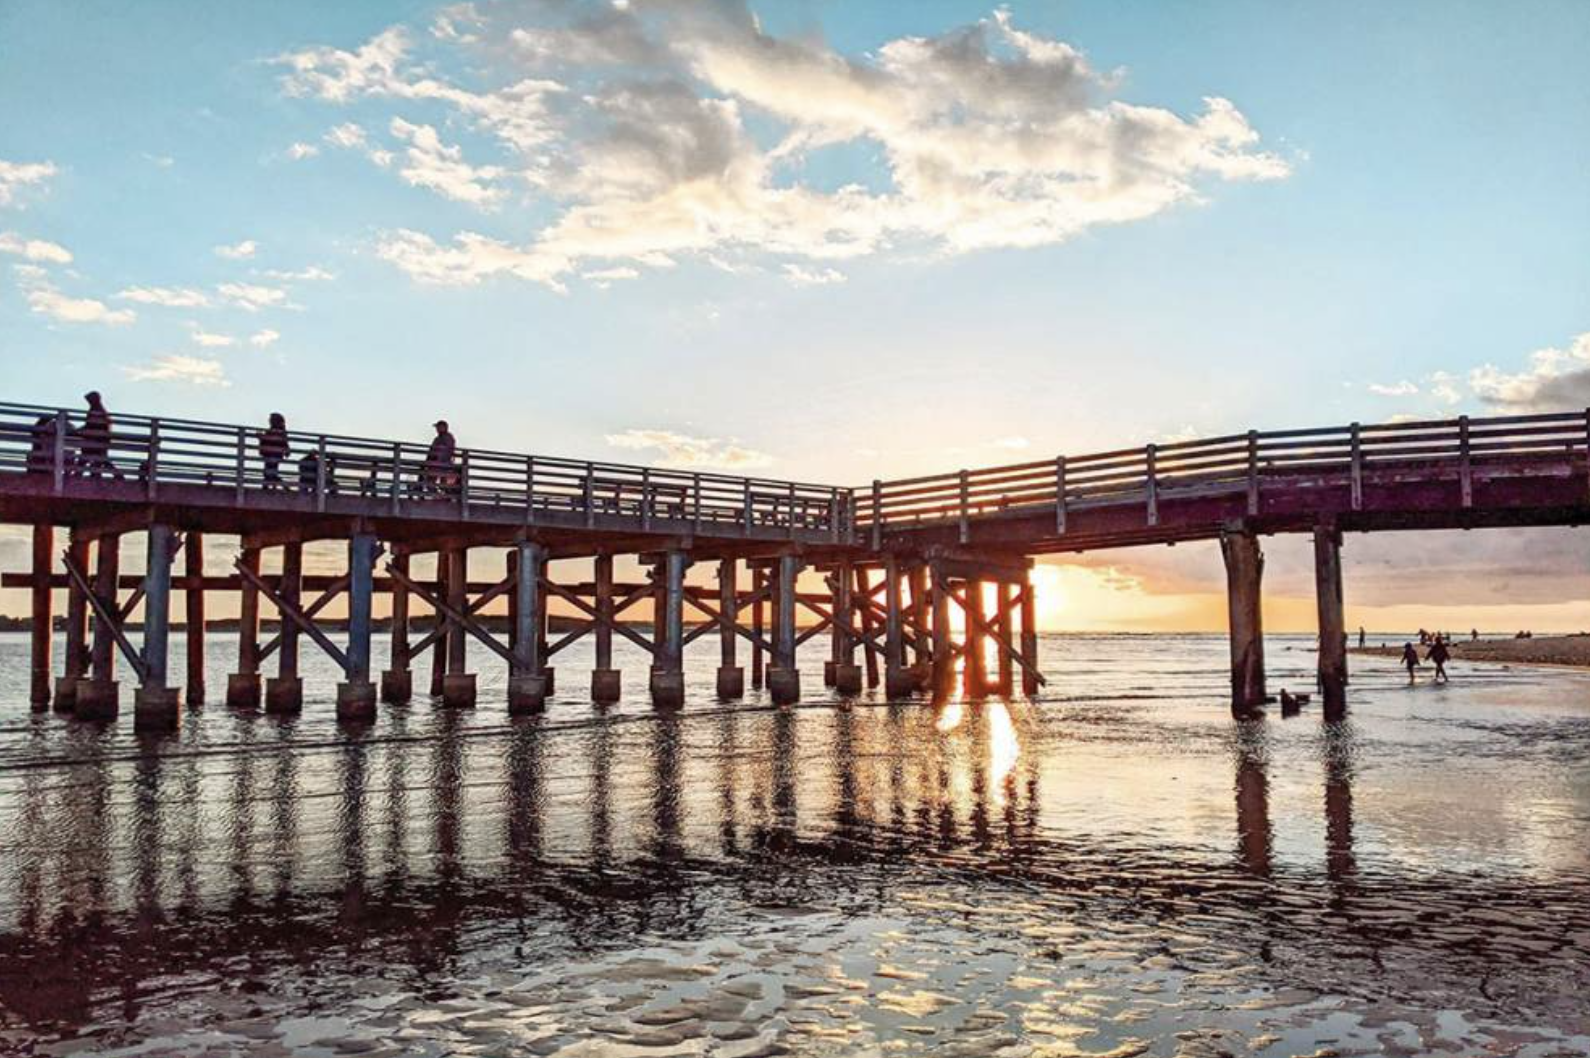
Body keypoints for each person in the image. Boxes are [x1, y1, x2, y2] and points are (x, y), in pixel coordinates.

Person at [74, 391, 121, 479]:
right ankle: (96, 474)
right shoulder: (99, 410)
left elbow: (92, 425)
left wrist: (80, 431)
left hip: (96, 440)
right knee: (99, 459)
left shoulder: (96, 410)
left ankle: (78, 475)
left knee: (87, 458)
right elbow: (91, 425)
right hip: (99, 440)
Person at [424, 419, 458, 495]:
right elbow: (432, 451)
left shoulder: (448, 438)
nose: (437, 429)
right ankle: (438, 496)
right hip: (435, 464)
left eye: (438, 427)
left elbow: (446, 451)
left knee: (437, 483)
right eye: (437, 427)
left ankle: (440, 496)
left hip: (441, 464)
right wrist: (428, 461)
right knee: (430, 482)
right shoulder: (437, 438)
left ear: (444, 427)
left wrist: (434, 459)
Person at [258, 412, 290, 489]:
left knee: (269, 473)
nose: (269, 420)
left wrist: (261, 437)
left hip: (272, 454)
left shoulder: (276, 430)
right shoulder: (280, 431)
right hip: (274, 454)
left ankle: (267, 487)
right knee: (270, 472)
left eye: (271, 419)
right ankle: (272, 487)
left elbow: (271, 440)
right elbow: (283, 442)